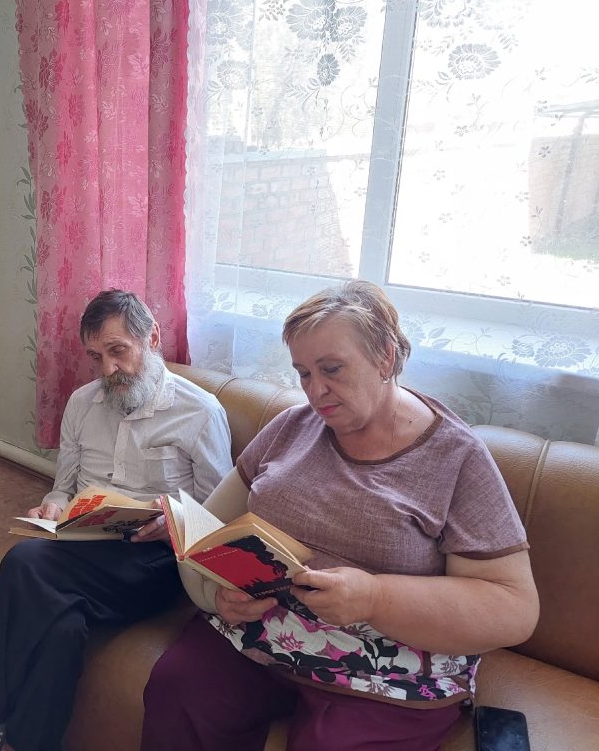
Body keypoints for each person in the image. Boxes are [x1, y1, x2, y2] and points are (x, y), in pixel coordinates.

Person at [141, 281, 540, 751]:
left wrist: (375, 598)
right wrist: (218, 594)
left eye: (331, 369)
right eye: (303, 373)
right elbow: (207, 528)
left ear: (385, 357)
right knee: (177, 688)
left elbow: (514, 608)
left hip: (387, 668)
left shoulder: (456, 457)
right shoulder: (292, 427)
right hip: (264, 633)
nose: (315, 391)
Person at [0, 289, 233, 751]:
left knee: (24, 562)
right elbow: (62, 487)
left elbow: (219, 517)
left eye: (118, 351)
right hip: (82, 543)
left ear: (152, 339)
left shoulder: (200, 413)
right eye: (96, 357)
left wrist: (175, 521)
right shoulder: (82, 403)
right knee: (62, 625)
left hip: (153, 559)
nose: (107, 369)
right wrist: (51, 508)